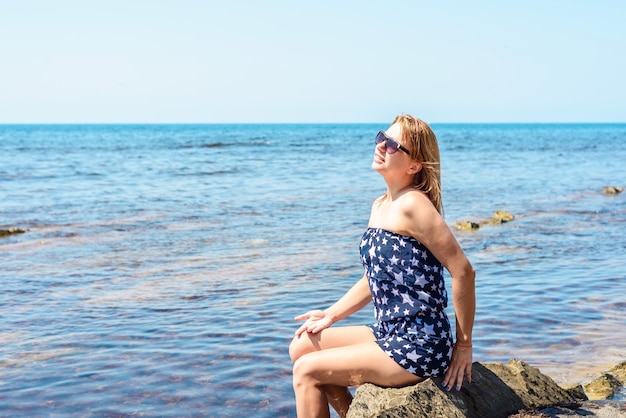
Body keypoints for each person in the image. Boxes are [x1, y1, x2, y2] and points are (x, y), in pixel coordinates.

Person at [289, 114, 476, 418]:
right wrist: (331, 314)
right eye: (381, 138)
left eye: (391, 145)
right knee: (301, 345)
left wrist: (463, 345)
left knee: (307, 370)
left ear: (415, 165)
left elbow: (463, 272)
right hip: (390, 331)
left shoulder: (414, 205)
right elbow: (375, 278)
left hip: (420, 343)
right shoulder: (381, 205)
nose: (380, 146)